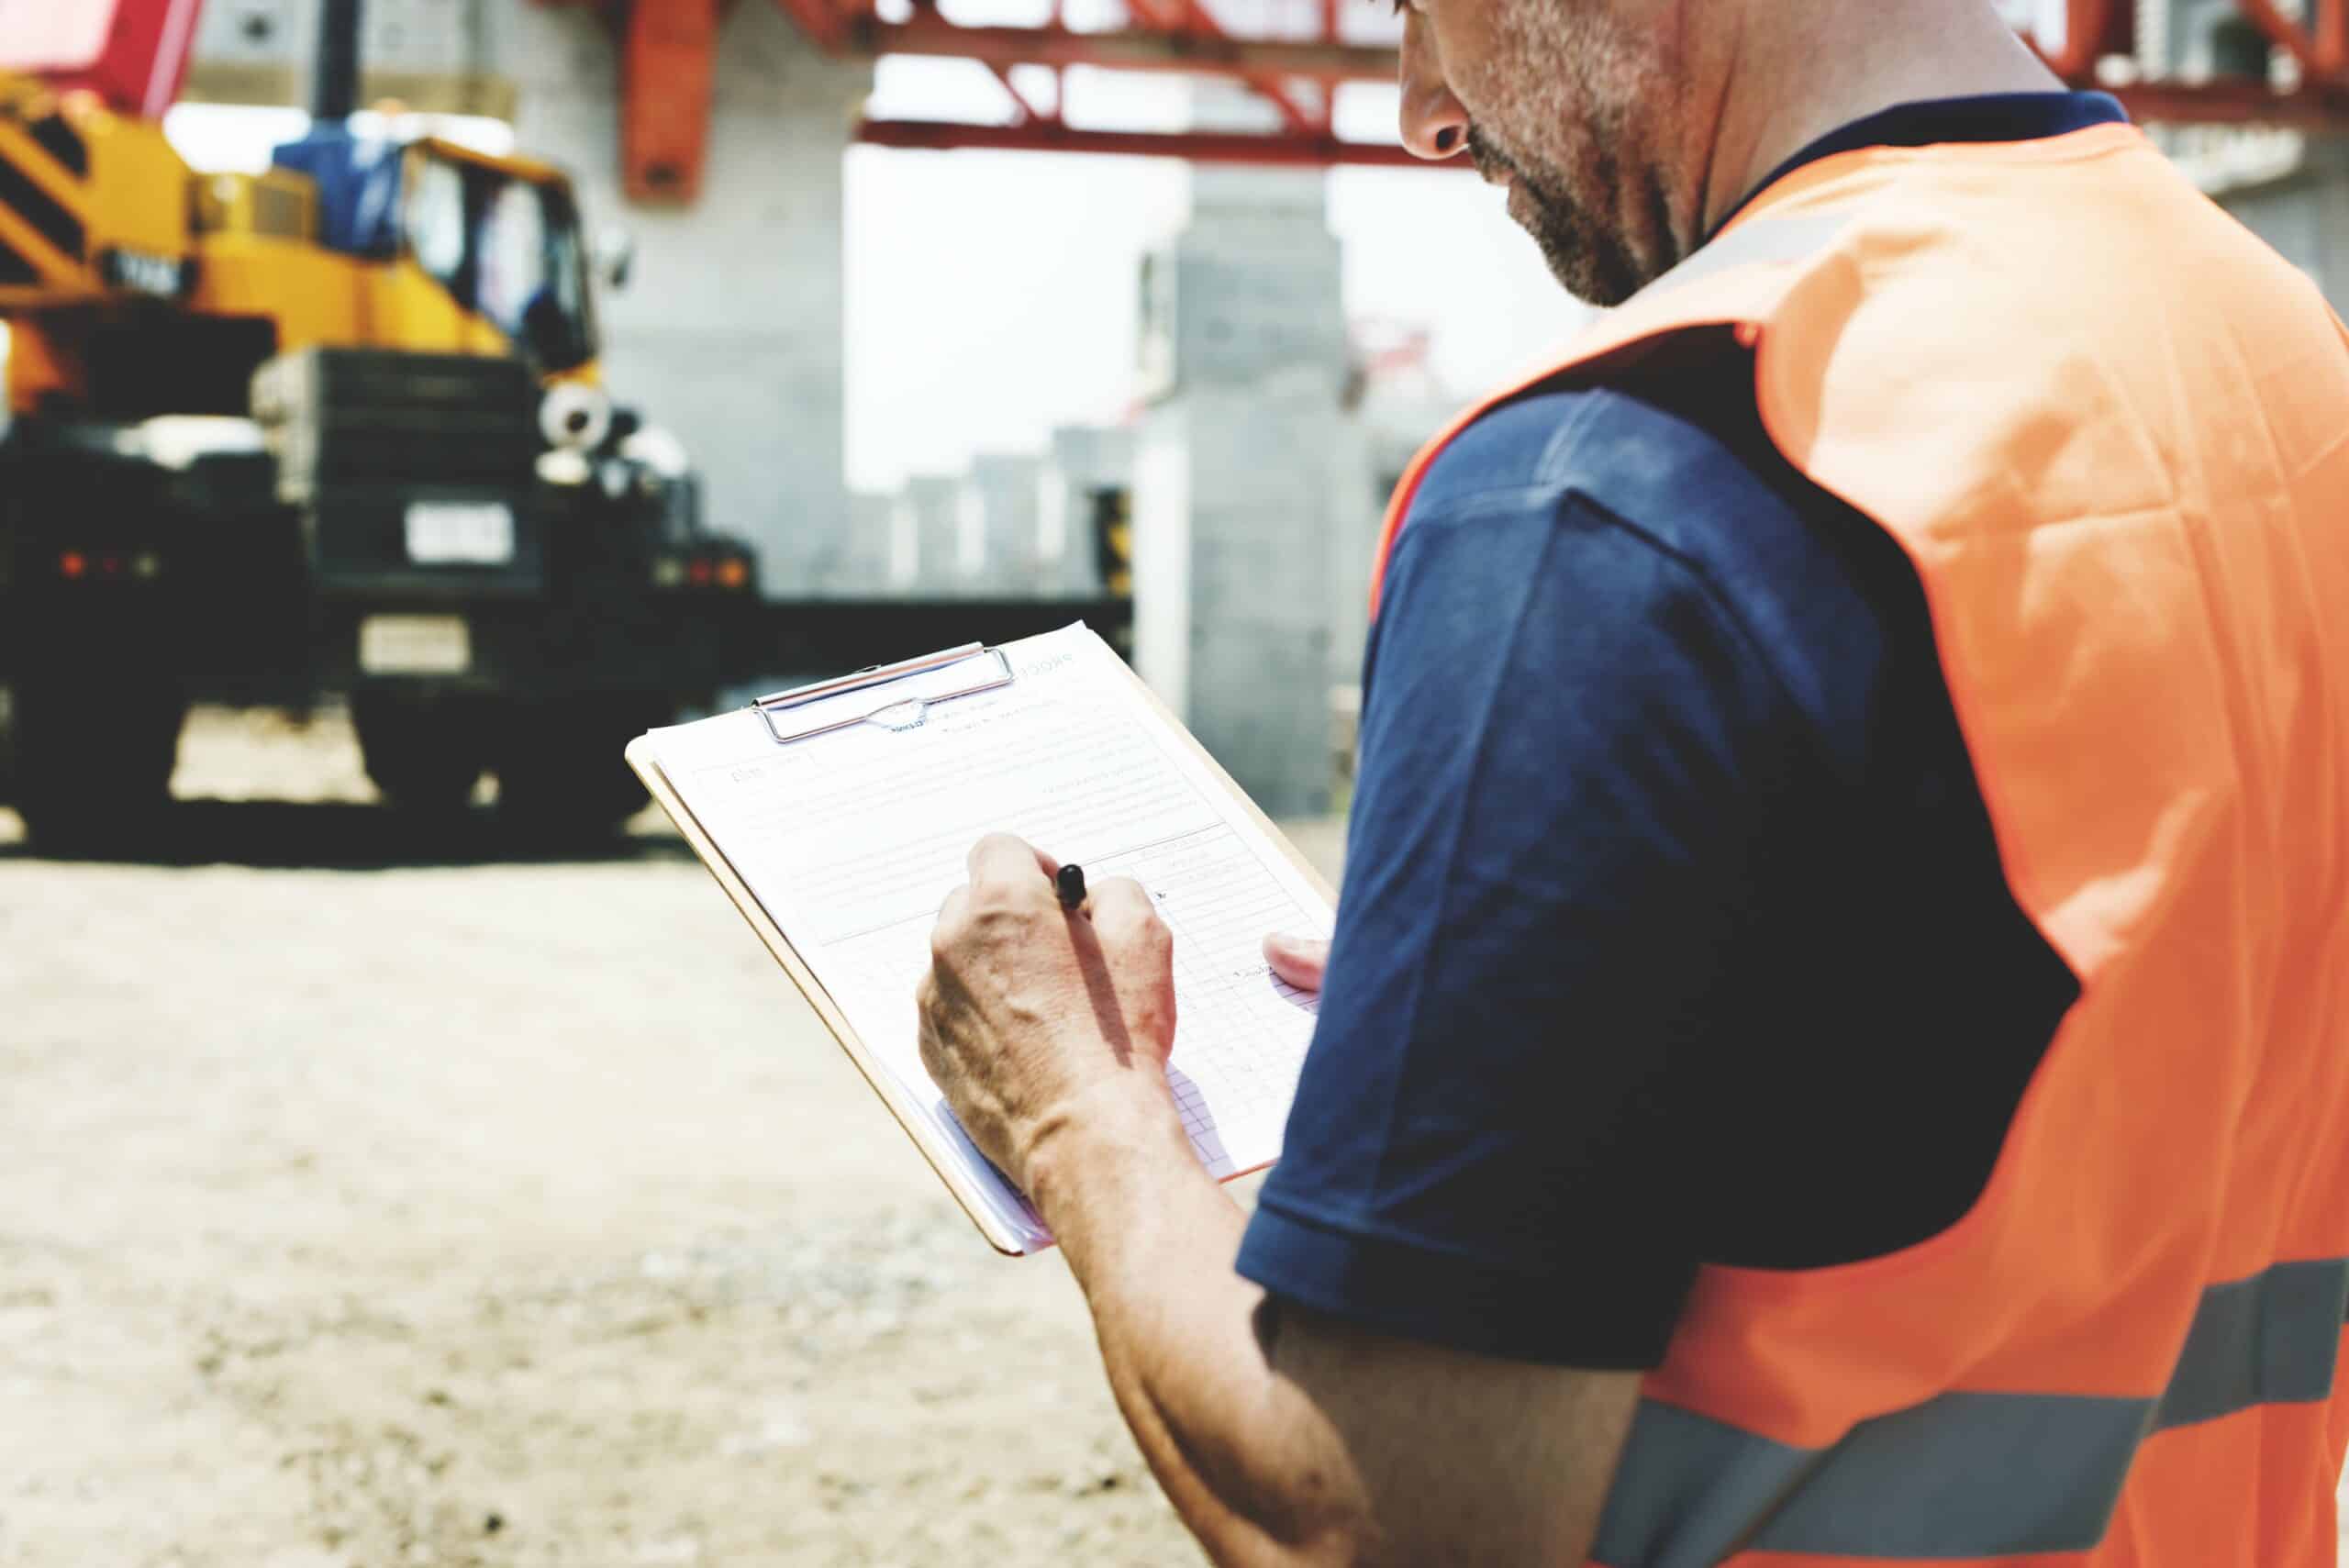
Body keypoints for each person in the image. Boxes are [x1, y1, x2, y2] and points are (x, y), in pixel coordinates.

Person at [915, 0, 2349, 1561]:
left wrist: (1076, 1111)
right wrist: (1604, 985)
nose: (1420, 110)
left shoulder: (1619, 483)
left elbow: (1373, 1522)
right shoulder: (2269, 343)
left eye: (1416, 9)